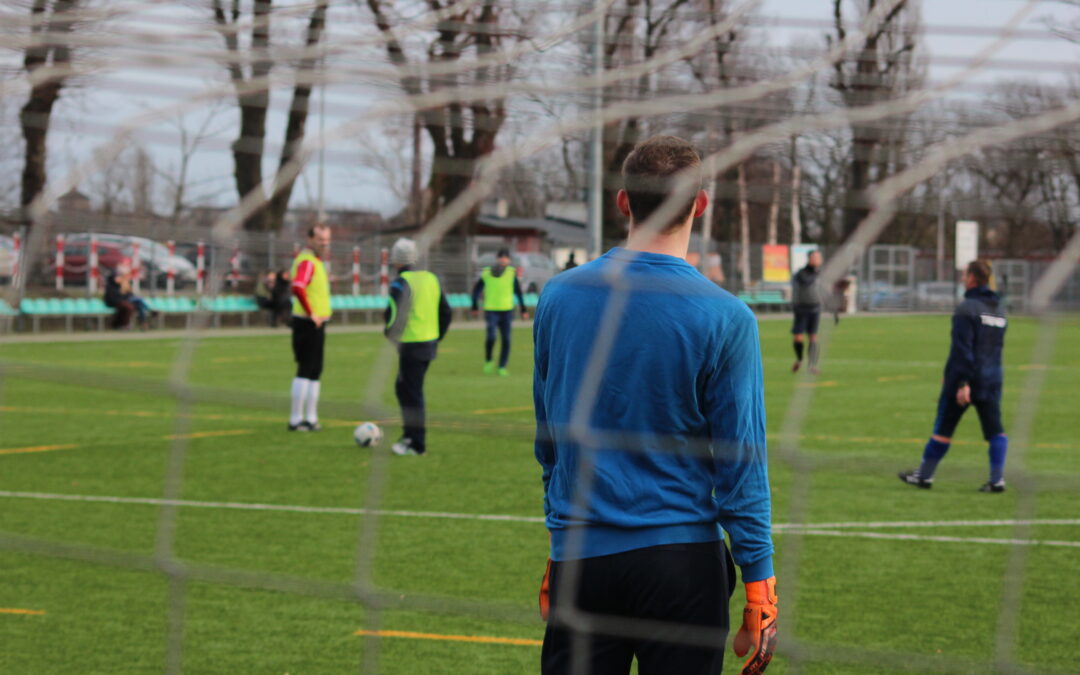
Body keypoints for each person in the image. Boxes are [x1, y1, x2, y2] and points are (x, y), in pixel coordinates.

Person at [533, 135, 777, 675]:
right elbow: (742, 466)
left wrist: (560, 541)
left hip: (583, 562)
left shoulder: (558, 296)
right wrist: (760, 584)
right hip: (683, 566)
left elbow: (549, 441)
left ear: (623, 201)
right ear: (701, 203)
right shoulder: (726, 316)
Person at [899, 259, 1008, 492]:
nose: (961, 279)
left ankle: (924, 476)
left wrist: (961, 382)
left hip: (966, 379)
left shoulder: (966, 309)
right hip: (992, 378)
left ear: (971, 278)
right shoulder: (999, 309)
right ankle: (997, 480)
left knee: (944, 428)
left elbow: (963, 349)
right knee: (995, 430)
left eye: (964, 275)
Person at [384, 237, 452, 456]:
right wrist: (437, 335)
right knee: (405, 389)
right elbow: (446, 311)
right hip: (429, 344)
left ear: (397, 260)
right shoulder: (431, 278)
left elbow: (394, 315)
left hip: (411, 345)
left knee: (411, 393)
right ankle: (409, 436)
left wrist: (390, 334)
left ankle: (416, 443)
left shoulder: (400, 283)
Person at [288, 224, 332, 432]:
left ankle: (311, 418)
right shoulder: (307, 261)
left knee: (315, 370)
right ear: (310, 239)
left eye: (327, 239)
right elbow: (298, 286)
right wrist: (311, 312)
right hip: (307, 323)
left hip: (317, 323)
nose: (325, 243)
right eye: (321, 239)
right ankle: (296, 419)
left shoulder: (316, 261)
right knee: (305, 369)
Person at [471, 248, 527, 376]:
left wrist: (523, 309)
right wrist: (474, 306)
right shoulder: (486, 273)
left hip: (507, 311)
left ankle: (502, 366)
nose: (503, 259)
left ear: (509, 260)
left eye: (506, 257)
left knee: (506, 339)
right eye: (501, 257)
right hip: (491, 310)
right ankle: (489, 360)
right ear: (497, 259)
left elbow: (518, 292)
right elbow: (476, 291)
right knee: (491, 336)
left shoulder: (511, 273)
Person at [791, 250, 823, 374]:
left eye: (819, 257)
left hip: (815, 308)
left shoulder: (819, 273)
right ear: (809, 259)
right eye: (815, 257)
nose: (818, 259)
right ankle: (799, 359)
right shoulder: (802, 273)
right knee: (798, 337)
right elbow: (806, 282)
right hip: (801, 309)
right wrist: (817, 274)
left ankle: (812, 366)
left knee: (813, 337)